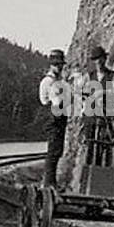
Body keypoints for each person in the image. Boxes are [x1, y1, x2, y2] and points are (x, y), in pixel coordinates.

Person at [82, 44, 114, 168]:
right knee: (90, 150)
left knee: (108, 150)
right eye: (96, 59)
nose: (98, 62)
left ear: (105, 59)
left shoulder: (113, 76)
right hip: (91, 118)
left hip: (106, 118)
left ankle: (107, 181)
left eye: (100, 58)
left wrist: (102, 92)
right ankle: (89, 181)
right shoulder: (88, 77)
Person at [38, 49, 68, 187]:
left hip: (58, 117)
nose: (59, 67)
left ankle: (51, 182)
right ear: (51, 65)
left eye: (60, 64)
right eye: (56, 65)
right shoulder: (48, 81)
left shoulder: (57, 81)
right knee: (53, 151)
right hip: (53, 117)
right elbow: (52, 102)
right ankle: (49, 183)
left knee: (57, 150)